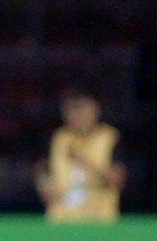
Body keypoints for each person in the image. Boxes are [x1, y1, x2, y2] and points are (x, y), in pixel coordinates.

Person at [35, 91, 125, 223]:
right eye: (72, 110)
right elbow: (42, 167)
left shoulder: (110, 137)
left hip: (100, 221)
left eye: (82, 110)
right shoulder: (58, 137)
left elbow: (117, 180)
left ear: (95, 110)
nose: (77, 116)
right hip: (61, 220)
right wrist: (44, 185)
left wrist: (86, 162)